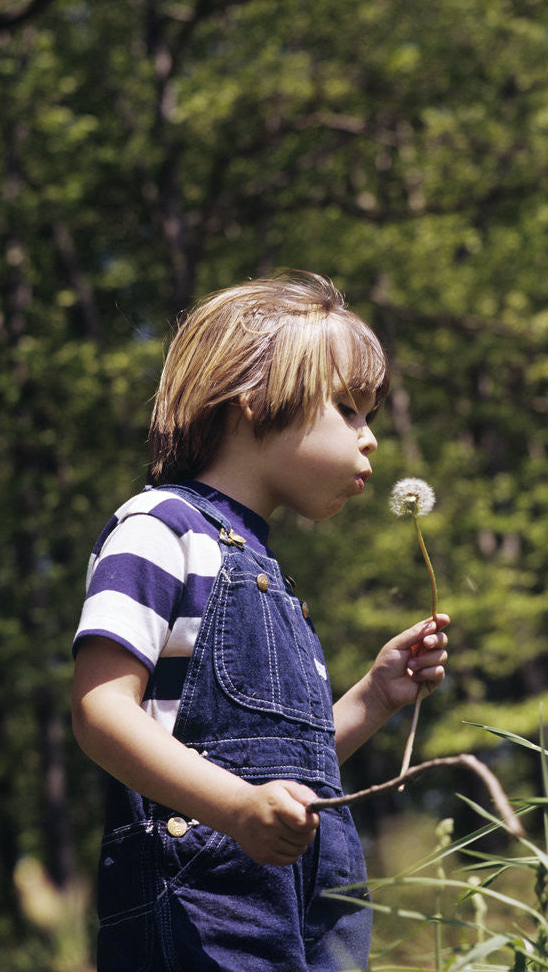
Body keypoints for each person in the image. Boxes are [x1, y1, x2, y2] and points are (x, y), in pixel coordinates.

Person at [71, 271, 450, 972]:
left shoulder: (271, 574)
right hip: (200, 905)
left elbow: (288, 768)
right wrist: (237, 811)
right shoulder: (159, 528)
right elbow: (101, 713)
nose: (369, 440)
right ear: (254, 399)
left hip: (313, 903)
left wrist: (373, 695)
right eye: (347, 409)